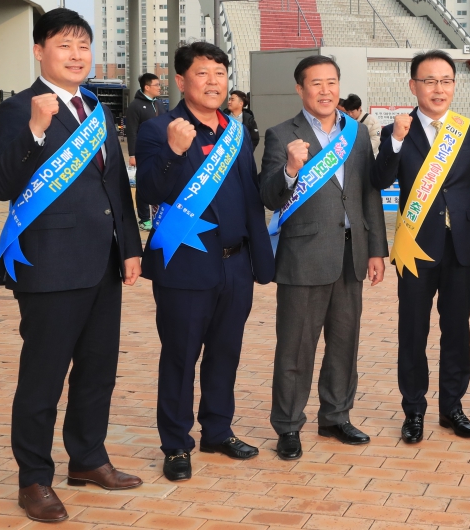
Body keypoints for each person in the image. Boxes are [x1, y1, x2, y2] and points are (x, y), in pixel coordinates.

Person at [0, 8, 143, 522]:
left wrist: (132, 247)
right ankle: (33, 479)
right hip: (50, 266)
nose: (77, 56)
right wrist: (34, 130)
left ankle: (87, 459)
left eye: (83, 46)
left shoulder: (96, 109)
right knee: (43, 377)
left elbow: (115, 185)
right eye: (64, 46)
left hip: (103, 263)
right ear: (39, 51)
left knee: (98, 371)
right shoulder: (16, 110)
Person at [135, 42, 275, 482]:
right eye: (203, 73)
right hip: (185, 262)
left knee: (225, 353)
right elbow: (150, 194)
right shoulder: (160, 128)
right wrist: (175, 153)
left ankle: (217, 429)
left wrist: (262, 260)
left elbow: (251, 198)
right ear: (180, 80)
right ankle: (176, 444)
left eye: (220, 73)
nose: (214, 82)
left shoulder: (236, 131)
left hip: (236, 265)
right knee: (180, 356)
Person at [370, 50, 470, 443]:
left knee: (456, 329)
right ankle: (413, 411)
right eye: (429, 81)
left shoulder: (469, 129)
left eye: (445, 80)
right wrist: (394, 140)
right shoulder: (398, 130)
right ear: (413, 86)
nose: (438, 88)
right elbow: (379, 180)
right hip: (414, 245)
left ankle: (452, 408)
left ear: (454, 86)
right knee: (413, 330)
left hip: (461, 244)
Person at [262, 55, 388, 460]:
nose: (325, 90)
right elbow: (267, 195)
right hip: (303, 256)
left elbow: (368, 195)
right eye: (315, 83)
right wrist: (291, 170)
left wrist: (376, 250)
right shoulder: (282, 135)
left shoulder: (357, 134)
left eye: (331, 82)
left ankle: (336, 415)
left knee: (344, 344)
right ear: (300, 89)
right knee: (296, 347)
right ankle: (288, 424)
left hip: (352, 255)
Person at [125, 73, 164, 230]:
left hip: (161, 151)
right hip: (143, 153)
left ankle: (159, 215)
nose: (160, 88)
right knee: (142, 184)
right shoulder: (135, 106)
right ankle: (144, 219)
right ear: (147, 87)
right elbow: (131, 131)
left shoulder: (159, 104)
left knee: (160, 183)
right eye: (157, 85)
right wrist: (132, 154)